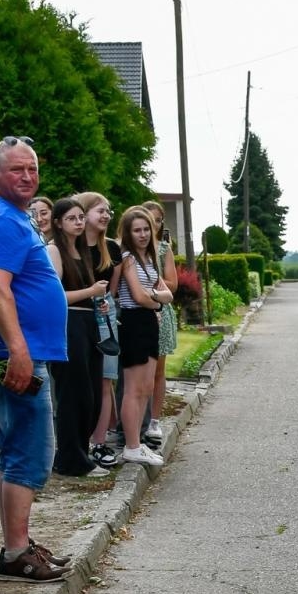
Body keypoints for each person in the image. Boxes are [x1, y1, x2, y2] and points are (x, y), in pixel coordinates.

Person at [0, 136, 70, 584]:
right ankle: (15, 553)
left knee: (14, 452)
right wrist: (19, 352)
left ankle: (18, 546)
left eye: (32, 169)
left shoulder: (12, 215)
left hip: (17, 351)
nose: (27, 177)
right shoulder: (2, 221)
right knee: (31, 452)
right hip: (14, 355)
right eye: (16, 170)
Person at [45, 197, 109, 478]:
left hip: (87, 323)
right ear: (58, 222)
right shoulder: (54, 251)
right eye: (72, 218)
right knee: (73, 393)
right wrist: (90, 293)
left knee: (92, 393)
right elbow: (54, 295)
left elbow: (88, 291)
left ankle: (80, 453)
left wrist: (99, 302)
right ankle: (71, 459)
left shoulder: (82, 251)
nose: (79, 222)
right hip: (68, 324)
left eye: (81, 217)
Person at [114, 204, 174, 467]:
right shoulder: (127, 257)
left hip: (150, 321)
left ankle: (137, 444)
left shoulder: (149, 259)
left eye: (146, 229)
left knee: (146, 387)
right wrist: (157, 300)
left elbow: (168, 293)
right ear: (127, 233)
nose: (142, 234)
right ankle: (131, 444)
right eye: (136, 230)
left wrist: (155, 299)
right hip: (134, 322)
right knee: (133, 388)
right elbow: (138, 296)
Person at [75, 191, 121, 468]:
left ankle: (100, 442)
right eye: (99, 211)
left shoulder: (112, 250)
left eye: (108, 211)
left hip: (104, 313)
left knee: (105, 379)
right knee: (80, 380)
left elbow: (112, 290)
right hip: (77, 315)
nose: (105, 216)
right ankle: (78, 438)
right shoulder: (68, 247)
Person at [141, 200, 178, 448]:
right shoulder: (129, 250)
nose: (152, 225)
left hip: (161, 311)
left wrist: (148, 284)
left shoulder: (164, 249)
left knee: (158, 370)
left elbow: (172, 284)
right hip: (137, 312)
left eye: (156, 220)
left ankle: (154, 419)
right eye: (147, 219)